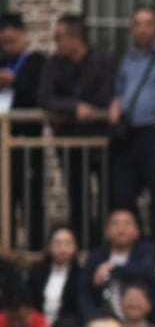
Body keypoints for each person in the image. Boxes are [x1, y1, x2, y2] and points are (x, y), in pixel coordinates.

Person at [37, 13, 116, 248]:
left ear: (76, 38)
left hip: (100, 139)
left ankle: (104, 244)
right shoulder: (54, 64)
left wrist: (91, 111)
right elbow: (45, 97)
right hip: (69, 141)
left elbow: (107, 95)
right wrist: (74, 108)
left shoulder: (102, 60)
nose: (56, 43)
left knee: (106, 196)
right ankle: (82, 244)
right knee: (77, 195)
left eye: (59, 38)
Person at [108, 4, 155, 247]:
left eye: (148, 23)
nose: (143, 29)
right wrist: (115, 105)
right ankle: (136, 240)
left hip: (153, 131)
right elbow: (120, 90)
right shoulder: (128, 58)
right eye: (138, 24)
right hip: (128, 132)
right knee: (122, 192)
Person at [0, 12, 48, 250]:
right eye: (4, 42)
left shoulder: (36, 62)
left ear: (24, 36)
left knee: (30, 200)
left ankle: (35, 249)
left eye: (12, 41)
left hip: (27, 141)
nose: (8, 47)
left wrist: (14, 82)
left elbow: (38, 95)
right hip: (3, 143)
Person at [27, 226, 83, 326]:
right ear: (49, 247)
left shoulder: (81, 275)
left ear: (75, 247)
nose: (63, 248)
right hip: (38, 325)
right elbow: (30, 303)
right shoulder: (37, 272)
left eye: (68, 243)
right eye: (58, 243)